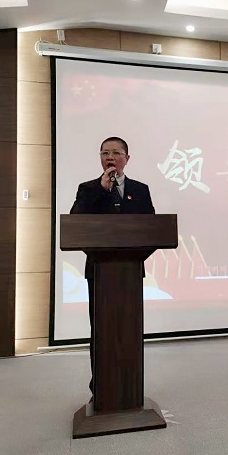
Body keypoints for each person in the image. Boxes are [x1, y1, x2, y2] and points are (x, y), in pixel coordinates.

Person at [70, 136, 155, 393]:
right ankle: (100, 388)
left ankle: (130, 388)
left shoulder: (140, 190)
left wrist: (137, 256)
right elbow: (76, 223)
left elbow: (151, 228)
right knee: (101, 330)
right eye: (105, 153)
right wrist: (102, 189)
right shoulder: (88, 189)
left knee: (129, 329)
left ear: (126, 159)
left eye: (116, 153)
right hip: (99, 270)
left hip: (130, 271)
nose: (110, 157)